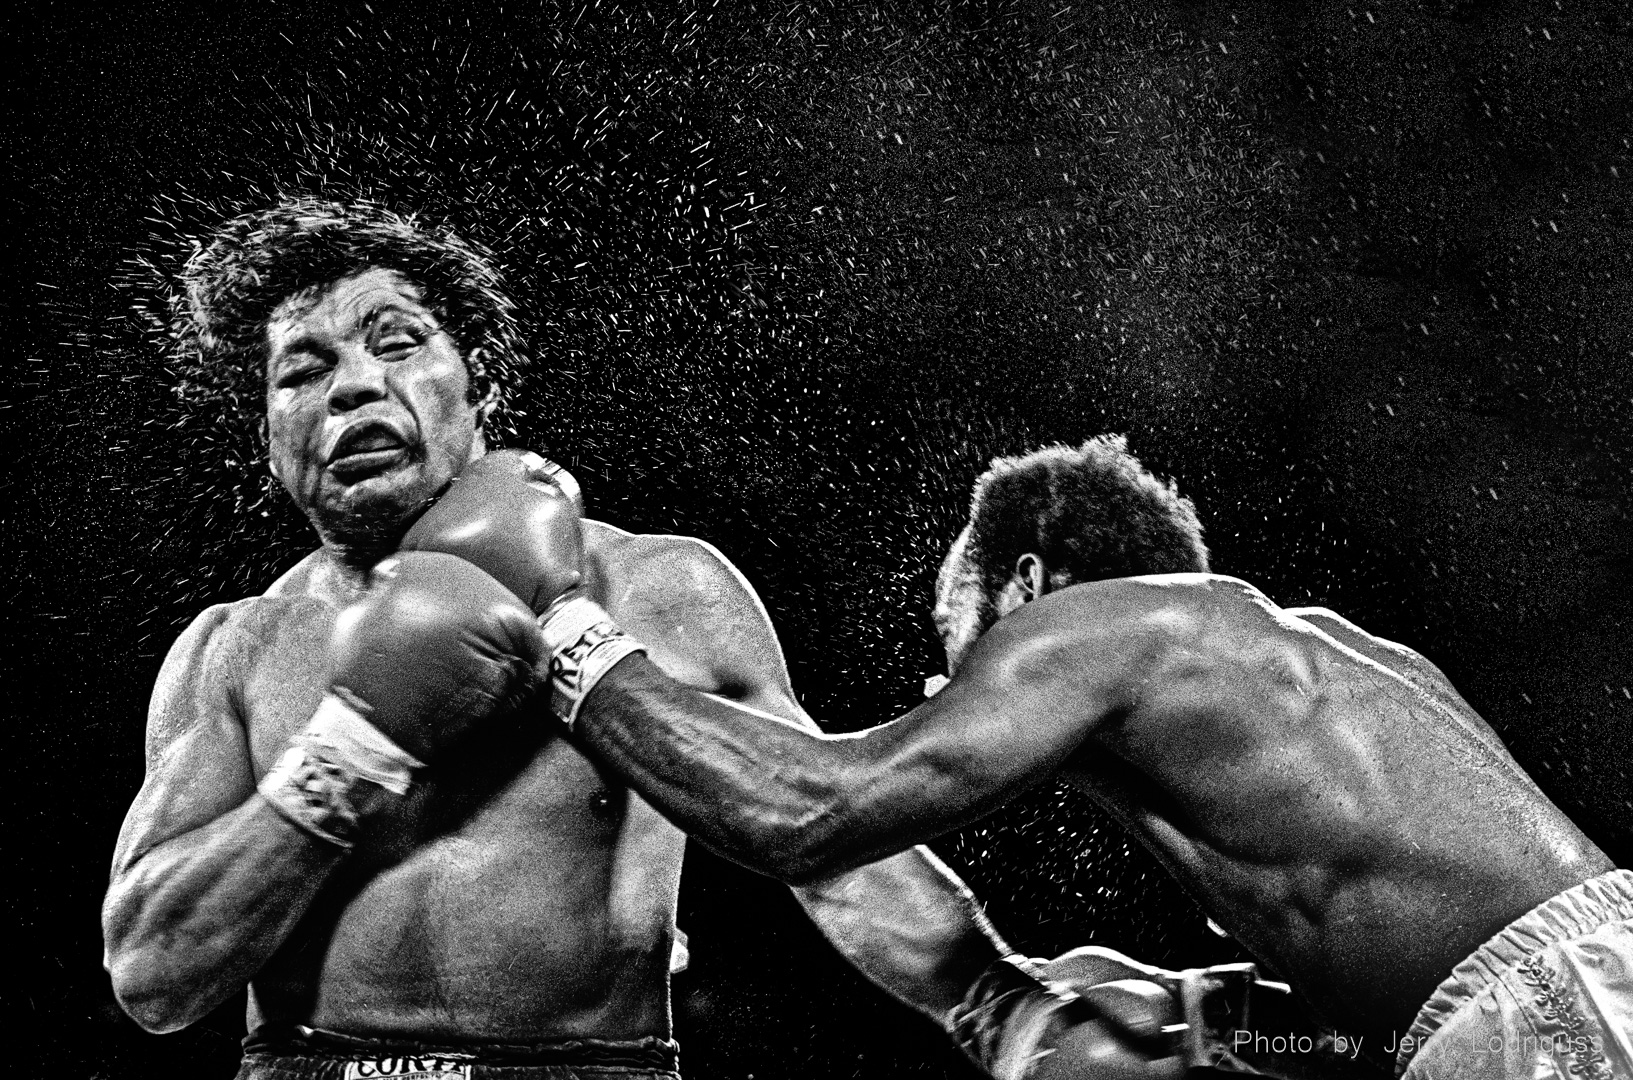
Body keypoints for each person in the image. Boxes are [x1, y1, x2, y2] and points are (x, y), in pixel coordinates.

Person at [100, 198, 1192, 1080]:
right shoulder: (234, 650)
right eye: (302, 369)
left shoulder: (663, 588)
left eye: (397, 342)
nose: (353, 384)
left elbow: (813, 834)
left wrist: (993, 1008)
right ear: (271, 435)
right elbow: (153, 975)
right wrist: (351, 745)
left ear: (477, 388)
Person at [533, 436, 1632, 1080]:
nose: (950, 686)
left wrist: (563, 634)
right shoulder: (1309, 677)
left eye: (955, 638)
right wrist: (1207, 1022)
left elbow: (807, 815)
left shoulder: (1088, 630)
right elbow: (1388, 1001)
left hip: (1546, 1012)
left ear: (1019, 590)